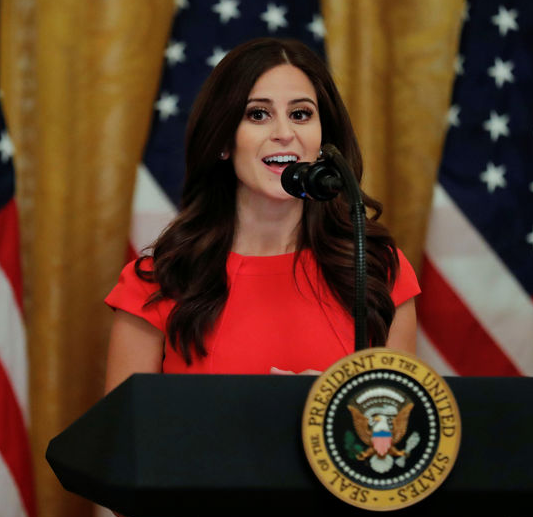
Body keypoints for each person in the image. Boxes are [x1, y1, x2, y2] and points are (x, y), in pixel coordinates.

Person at [105, 36, 420, 389]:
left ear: (323, 139)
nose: (284, 133)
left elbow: (397, 432)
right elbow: (123, 438)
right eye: (258, 114)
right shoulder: (157, 280)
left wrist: (334, 405)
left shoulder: (377, 267)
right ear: (224, 139)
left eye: (300, 114)